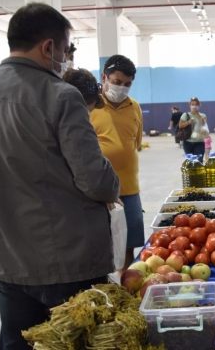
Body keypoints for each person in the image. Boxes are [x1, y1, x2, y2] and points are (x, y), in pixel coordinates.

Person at [0, 3, 119, 350]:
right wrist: (112, 185)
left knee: (18, 339)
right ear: (49, 47)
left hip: (6, 254)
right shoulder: (61, 96)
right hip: (65, 258)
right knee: (76, 339)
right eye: (65, 49)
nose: (65, 59)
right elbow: (95, 180)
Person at [91, 54, 145, 272]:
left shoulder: (135, 107)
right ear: (104, 77)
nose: (121, 88)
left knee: (128, 244)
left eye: (127, 84)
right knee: (101, 245)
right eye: (116, 82)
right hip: (98, 191)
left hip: (129, 188)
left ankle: (124, 285)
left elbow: (136, 143)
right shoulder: (89, 106)